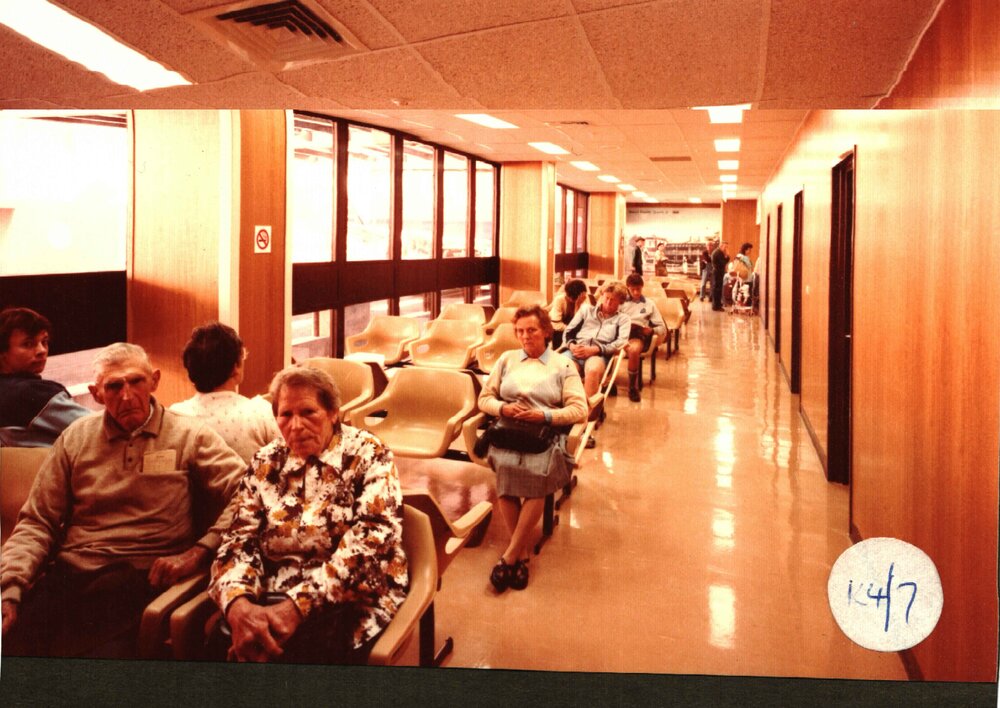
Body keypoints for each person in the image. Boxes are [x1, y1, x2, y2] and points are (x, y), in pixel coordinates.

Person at [1, 342, 246, 658]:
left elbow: (250, 493)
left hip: (141, 579)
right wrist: (11, 589)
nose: (127, 396)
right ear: (97, 393)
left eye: (136, 382)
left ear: (154, 381)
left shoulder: (190, 436)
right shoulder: (75, 438)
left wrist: (200, 551)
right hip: (71, 577)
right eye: (114, 386)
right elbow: (38, 522)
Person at [209, 365, 408, 664]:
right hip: (270, 596)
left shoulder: (369, 453)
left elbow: (372, 541)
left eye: (308, 413)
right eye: (285, 415)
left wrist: (297, 607)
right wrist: (239, 605)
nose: (296, 425)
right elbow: (238, 538)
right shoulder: (266, 461)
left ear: (333, 413)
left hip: (352, 599)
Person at [478, 306, 587, 591]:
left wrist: (546, 416)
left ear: (546, 332)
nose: (525, 337)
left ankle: (510, 556)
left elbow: (580, 409)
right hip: (509, 432)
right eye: (520, 331)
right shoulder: (506, 359)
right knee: (506, 471)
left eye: (531, 330)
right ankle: (521, 553)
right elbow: (484, 399)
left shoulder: (563, 365)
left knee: (536, 476)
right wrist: (503, 407)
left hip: (544, 435)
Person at [169, 321, 280, 464]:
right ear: (236, 367)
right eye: (243, 356)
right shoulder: (260, 412)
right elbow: (287, 461)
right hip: (249, 486)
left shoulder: (176, 416)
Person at [0, 307, 91, 447]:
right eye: (28, 344)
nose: (42, 350)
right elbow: (98, 428)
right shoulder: (31, 392)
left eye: (44, 342)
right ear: (2, 353)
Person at [564, 281, 630, 400]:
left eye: (613, 300)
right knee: (562, 367)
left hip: (599, 355)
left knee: (593, 370)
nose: (608, 302)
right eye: (606, 298)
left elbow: (621, 342)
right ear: (602, 296)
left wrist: (596, 349)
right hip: (576, 351)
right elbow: (568, 332)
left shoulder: (623, 319)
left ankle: (587, 413)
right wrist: (572, 346)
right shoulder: (586, 310)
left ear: (620, 302)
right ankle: (562, 408)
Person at [621, 274, 666, 403]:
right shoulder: (621, 302)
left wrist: (651, 330)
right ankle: (608, 383)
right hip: (620, 332)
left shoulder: (649, 304)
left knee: (633, 350)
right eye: (632, 289)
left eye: (639, 289)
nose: (636, 292)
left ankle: (632, 387)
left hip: (637, 335)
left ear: (642, 288)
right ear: (627, 288)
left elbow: (662, 327)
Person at [548, 278, 589, 349]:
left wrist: (578, 306)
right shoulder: (560, 300)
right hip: (560, 331)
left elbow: (585, 324)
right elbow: (556, 324)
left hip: (576, 333)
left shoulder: (584, 300)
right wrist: (571, 330)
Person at [710, 241, 730, 311]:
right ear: (721, 246)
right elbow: (723, 263)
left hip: (718, 272)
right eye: (725, 247)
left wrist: (726, 256)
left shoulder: (719, 252)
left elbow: (725, 261)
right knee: (717, 289)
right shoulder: (718, 253)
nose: (726, 248)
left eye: (727, 247)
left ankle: (717, 304)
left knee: (718, 289)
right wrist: (726, 255)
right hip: (717, 272)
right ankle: (716, 306)